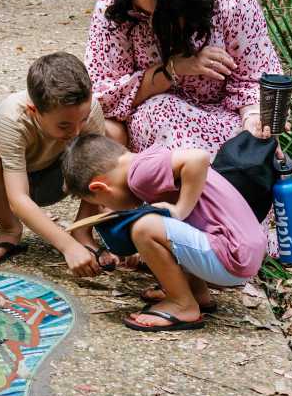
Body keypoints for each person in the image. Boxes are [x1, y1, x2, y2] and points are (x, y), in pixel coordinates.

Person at [84, 0, 286, 153]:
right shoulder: (116, 8)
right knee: (157, 114)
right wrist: (173, 69)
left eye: (165, 16)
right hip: (151, 121)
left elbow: (256, 79)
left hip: (224, 122)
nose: (153, 24)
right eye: (143, 13)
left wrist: (253, 117)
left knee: (250, 144)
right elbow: (102, 98)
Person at [60, 133, 266, 331]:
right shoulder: (144, 163)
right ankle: (196, 293)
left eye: (103, 205)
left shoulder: (139, 174)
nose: (108, 209)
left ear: (100, 187)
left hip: (232, 256)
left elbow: (198, 158)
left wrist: (180, 210)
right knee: (163, 224)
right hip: (241, 253)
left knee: (144, 228)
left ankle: (182, 305)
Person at [0, 52, 128, 273]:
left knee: (112, 136)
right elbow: (18, 197)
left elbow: (97, 166)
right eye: (64, 125)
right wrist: (67, 246)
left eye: (83, 119)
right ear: (34, 110)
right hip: (5, 186)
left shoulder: (90, 108)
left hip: (59, 178)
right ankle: (9, 229)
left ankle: (83, 231)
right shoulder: (12, 117)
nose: (76, 131)